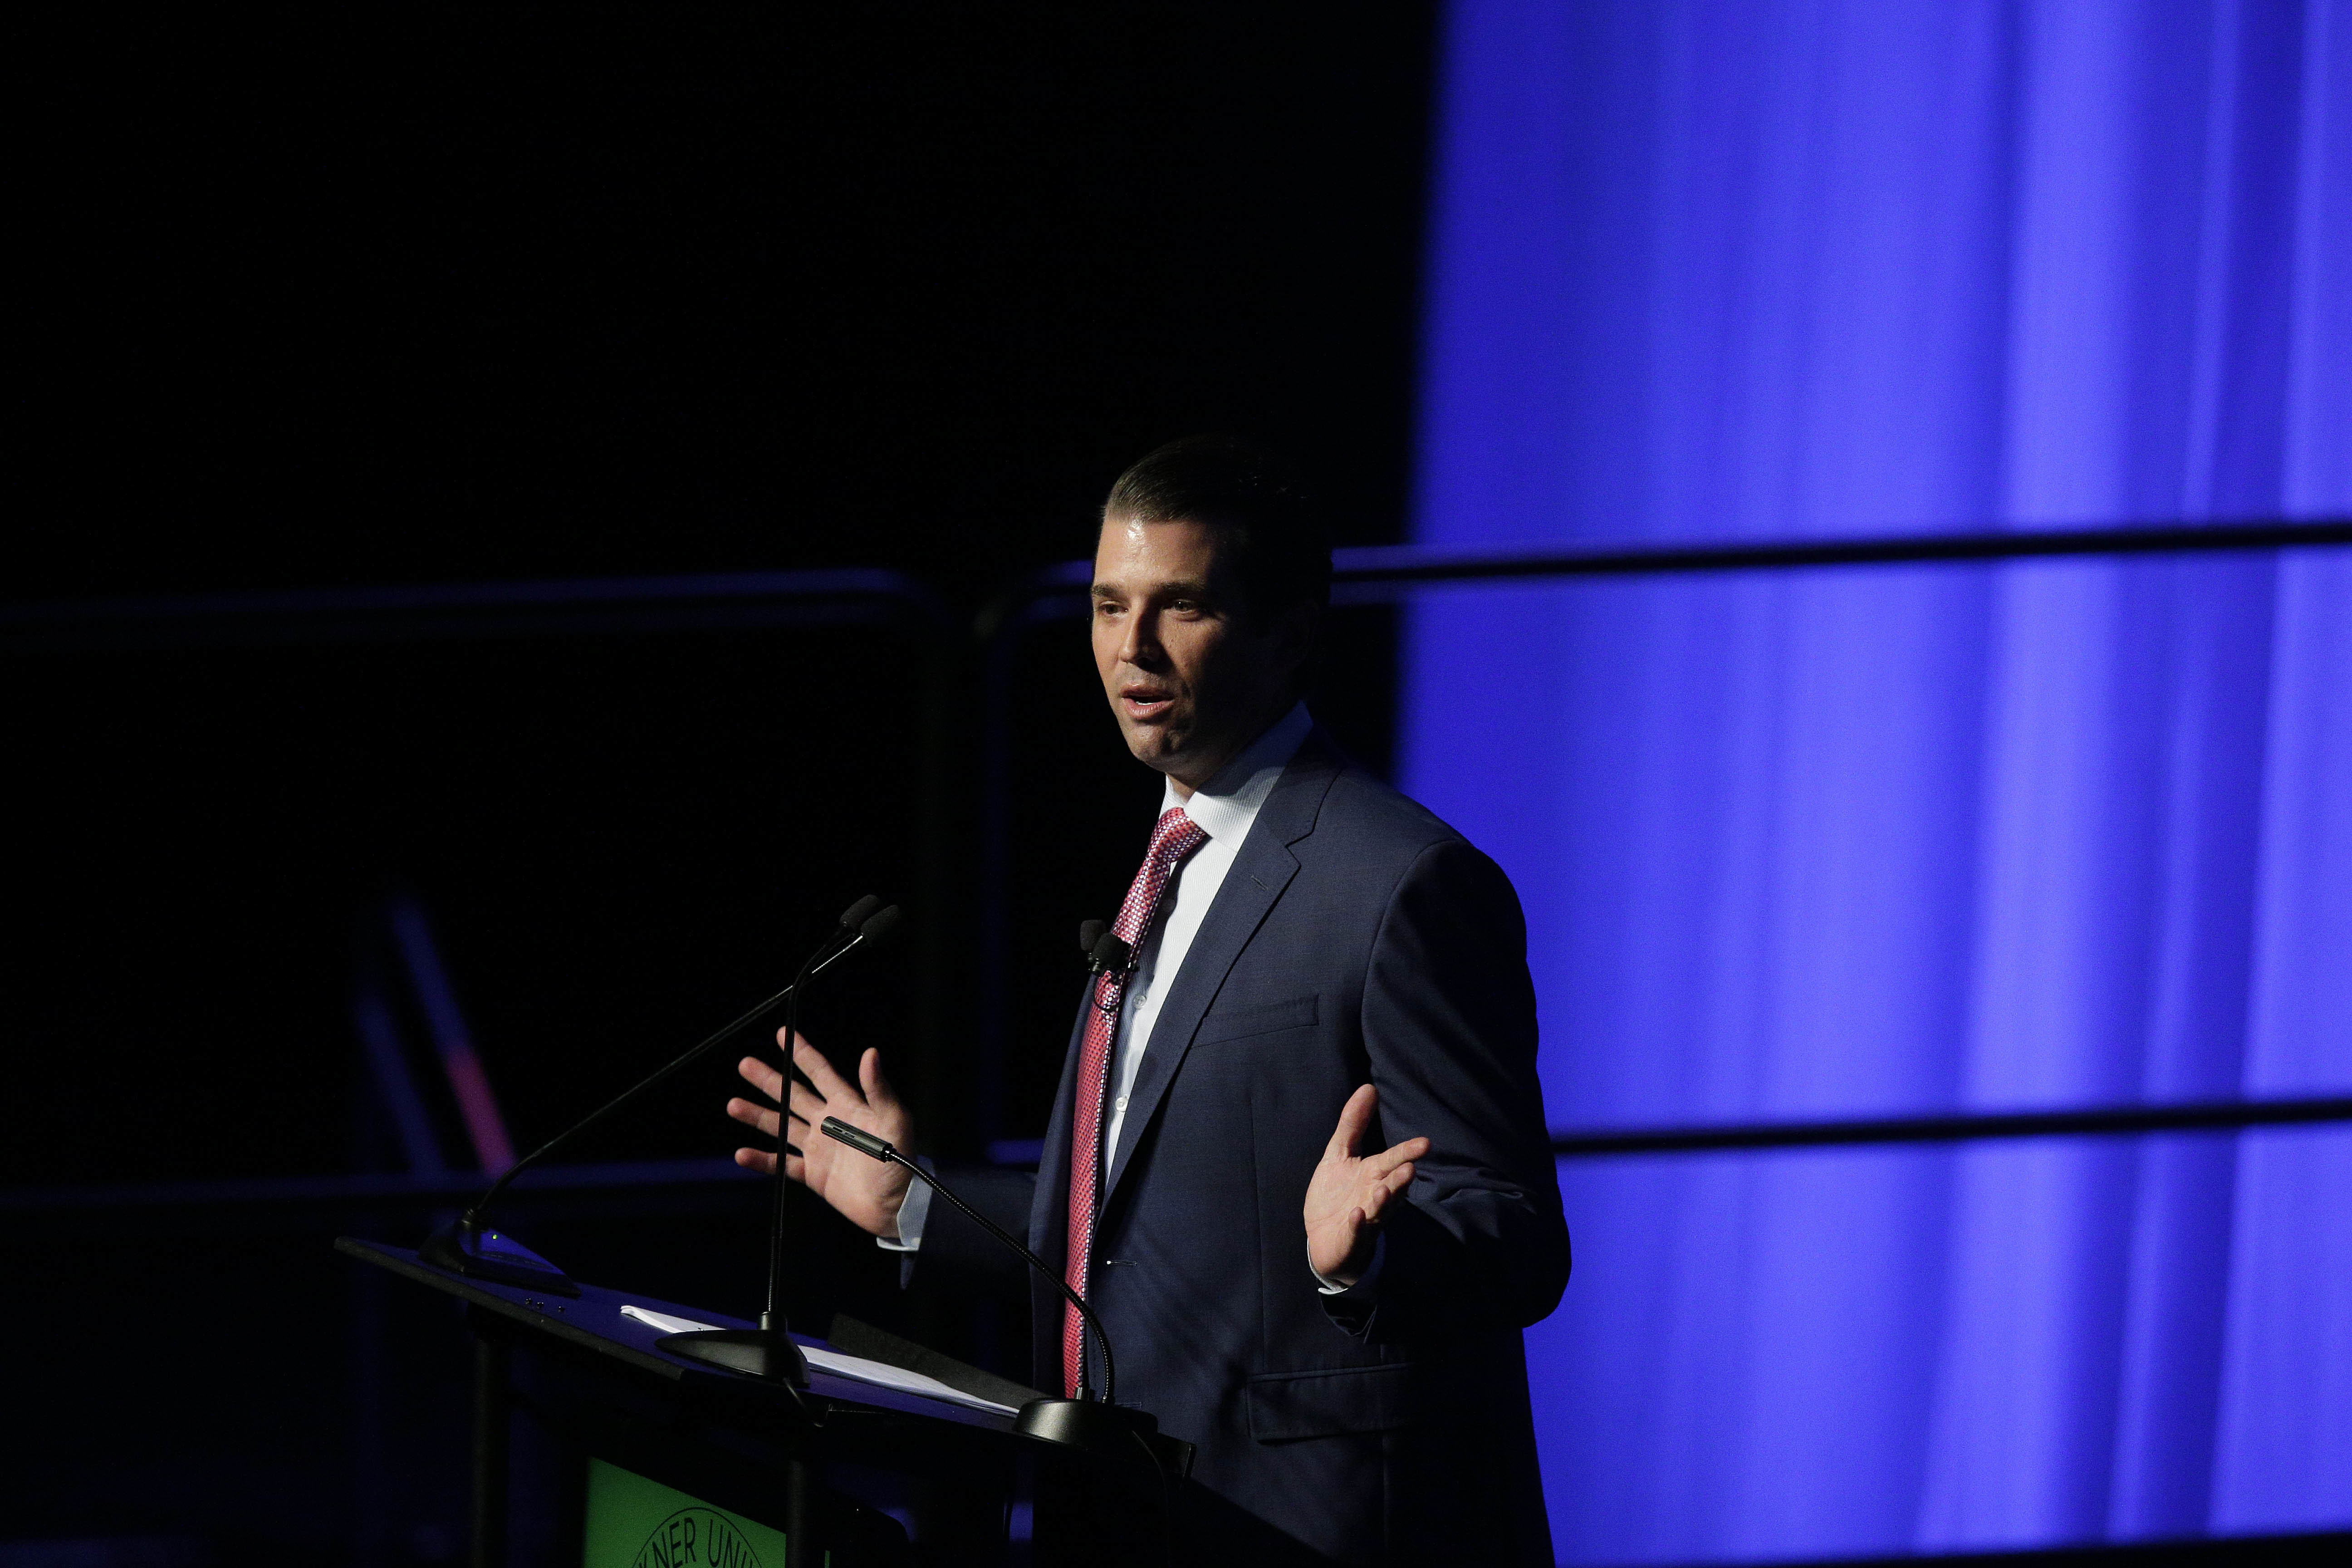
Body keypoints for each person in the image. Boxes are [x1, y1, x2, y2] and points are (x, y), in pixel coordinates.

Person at [726, 436, 1570, 1563]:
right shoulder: (1168, 855)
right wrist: (912, 1205)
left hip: (1311, 1528)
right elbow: (1138, 1228)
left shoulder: (1404, 885)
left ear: (1288, 633)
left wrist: (1358, 1260)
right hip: (1127, 1513)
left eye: (1181, 608)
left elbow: (1515, 1238)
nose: (1131, 649)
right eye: (1107, 605)